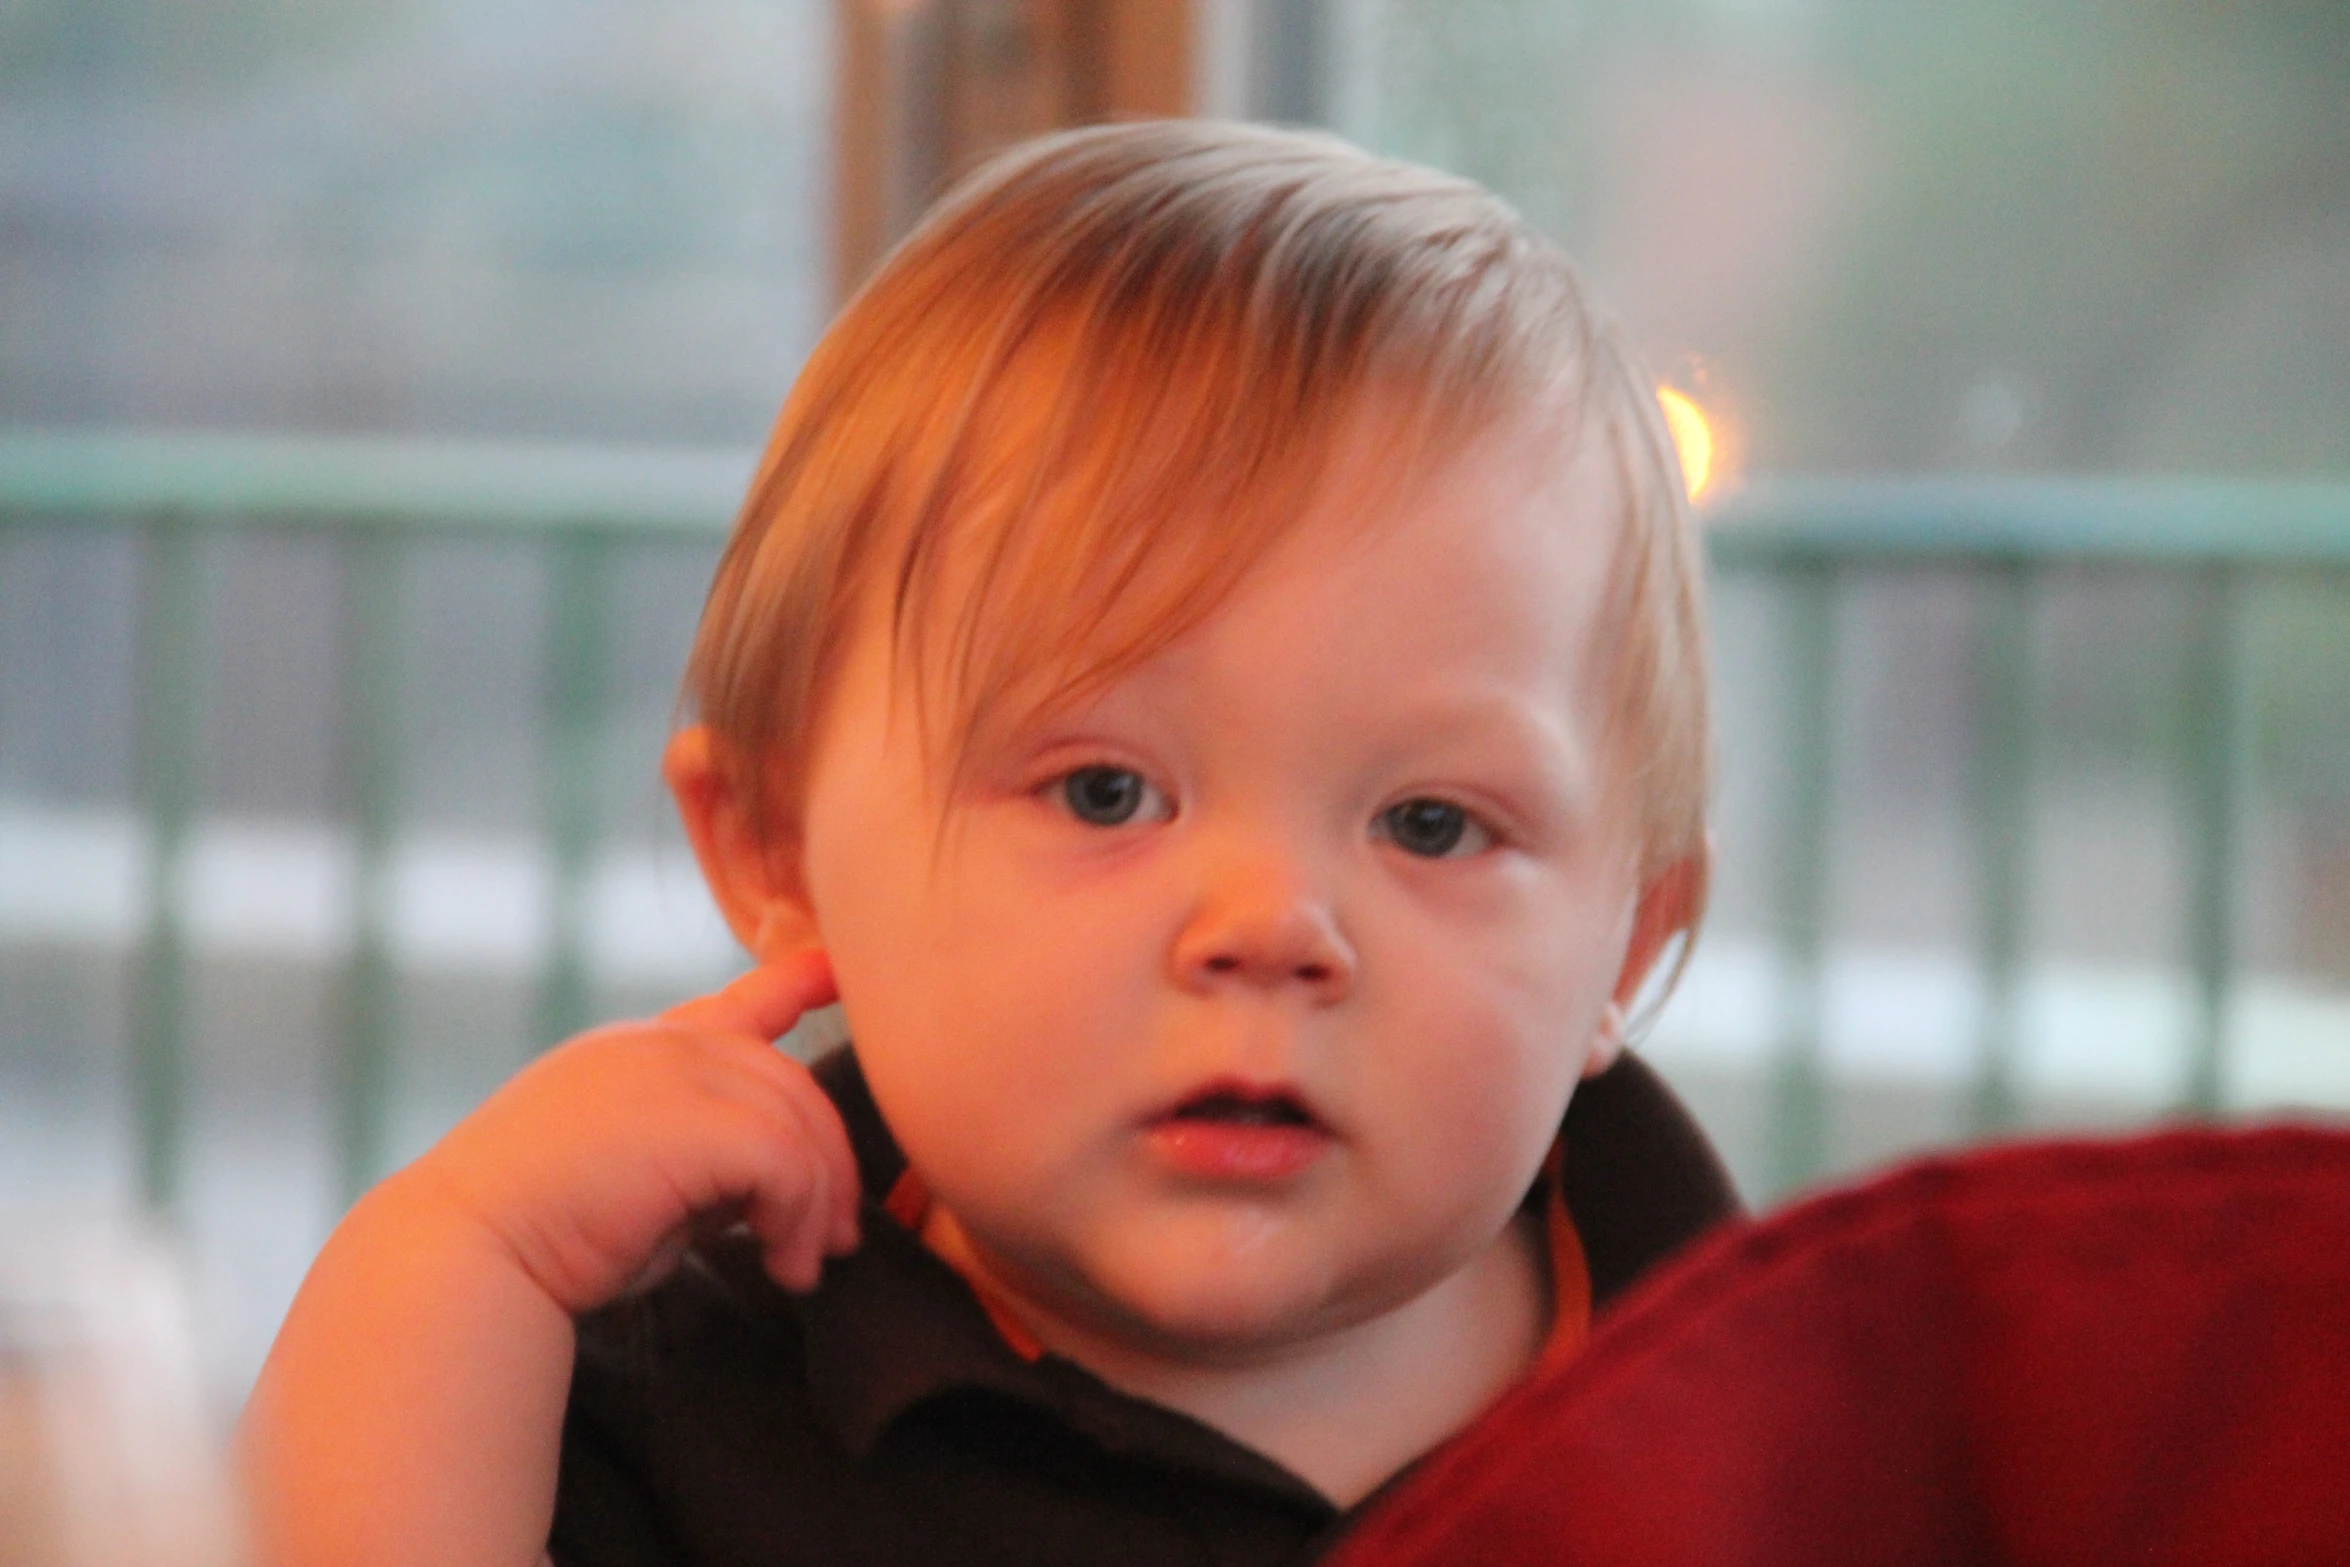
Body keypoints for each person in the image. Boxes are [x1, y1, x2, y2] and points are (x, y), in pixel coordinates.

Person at [237, 120, 1740, 1567]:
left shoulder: (1799, 1407)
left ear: (1625, 940)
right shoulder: (659, 1396)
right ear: (777, 848)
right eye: (1104, 793)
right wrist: (450, 1275)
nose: (1270, 923)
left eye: (1430, 823)